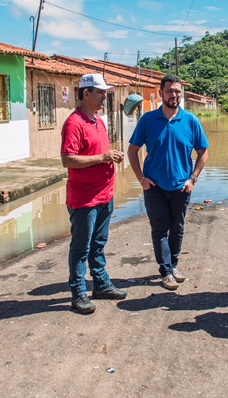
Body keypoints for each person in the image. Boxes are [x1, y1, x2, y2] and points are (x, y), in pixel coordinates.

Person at [127, 75, 209, 291]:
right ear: (161, 93)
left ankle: (173, 265)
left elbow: (204, 152)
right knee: (159, 229)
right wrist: (141, 179)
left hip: (182, 186)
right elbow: (132, 151)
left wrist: (193, 178)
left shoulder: (191, 120)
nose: (174, 95)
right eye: (170, 91)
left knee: (178, 228)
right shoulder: (148, 120)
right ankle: (166, 270)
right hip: (154, 187)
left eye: (178, 91)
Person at [60, 73, 127, 315]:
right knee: (81, 248)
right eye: (100, 93)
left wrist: (111, 155)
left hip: (104, 195)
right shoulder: (73, 123)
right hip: (84, 199)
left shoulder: (98, 121)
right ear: (86, 93)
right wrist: (103, 157)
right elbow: (68, 159)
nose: (104, 97)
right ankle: (78, 294)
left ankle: (101, 284)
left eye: (105, 93)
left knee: (98, 244)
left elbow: (98, 151)